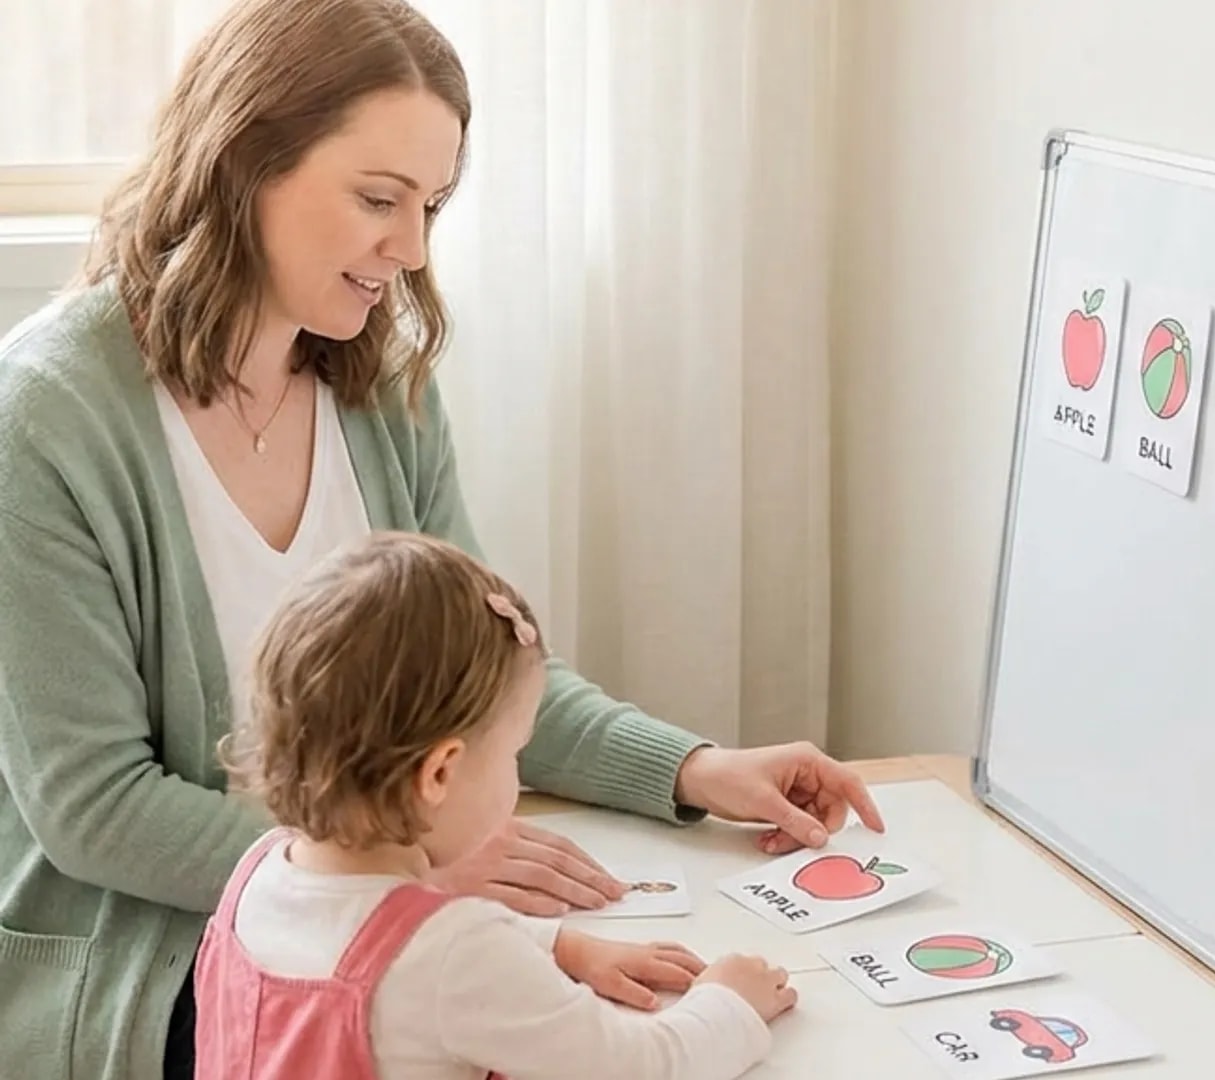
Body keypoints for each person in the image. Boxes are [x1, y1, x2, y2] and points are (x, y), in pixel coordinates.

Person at [0, 1, 881, 1077]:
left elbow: (473, 678)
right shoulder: (46, 421)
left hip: (369, 914)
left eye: (432, 204)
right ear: (243, 161)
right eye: (378, 198)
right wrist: (397, 881)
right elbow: (95, 813)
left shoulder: (382, 392)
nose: (410, 248)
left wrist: (696, 768)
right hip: (149, 966)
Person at [196, 529, 795, 1079]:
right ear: (439, 772)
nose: (516, 774)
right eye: (516, 752)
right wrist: (730, 1000)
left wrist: (564, 946)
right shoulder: (456, 952)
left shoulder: (260, 873)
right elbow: (639, 1066)